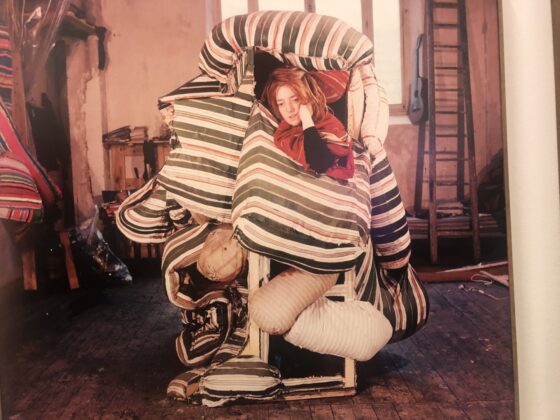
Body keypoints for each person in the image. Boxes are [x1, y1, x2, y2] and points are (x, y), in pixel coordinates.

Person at [262, 67, 354, 180]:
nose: (289, 109)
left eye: (295, 99)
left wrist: (306, 120)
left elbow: (322, 162)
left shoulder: (328, 122)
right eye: (281, 104)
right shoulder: (284, 135)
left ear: (309, 97)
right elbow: (319, 163)